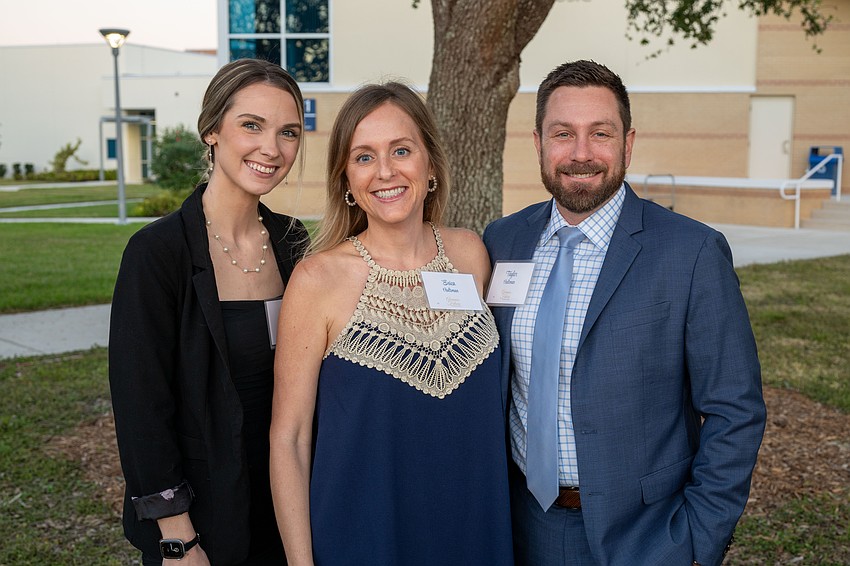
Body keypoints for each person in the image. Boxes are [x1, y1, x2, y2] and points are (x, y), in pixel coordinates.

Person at [482, 60, 766, 566]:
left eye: (601, 133)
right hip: (520, 525)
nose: (581, 153)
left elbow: (734, 410)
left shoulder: (691, 253)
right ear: (538, 143)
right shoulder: (503, 242)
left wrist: (698, 539)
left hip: (650, 537)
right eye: (563, 133)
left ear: (628, 144)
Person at [269, 81, 513, 565]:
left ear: (429, 165)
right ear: (346, 180)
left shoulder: (471, 254)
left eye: (401, 150)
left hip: (475, 530)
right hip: (364, 536)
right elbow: (289, 438)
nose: (385, 172)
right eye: (363, 157)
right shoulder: (318, 279)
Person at [109, 58, 309, 565]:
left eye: (288, 132)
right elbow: (141, 410)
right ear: (211, 131)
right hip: (202, 519)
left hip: (289, 503)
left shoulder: (294, 242)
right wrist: (179, 539)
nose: (272, 148)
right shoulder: (157, 253)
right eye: (251, 126)